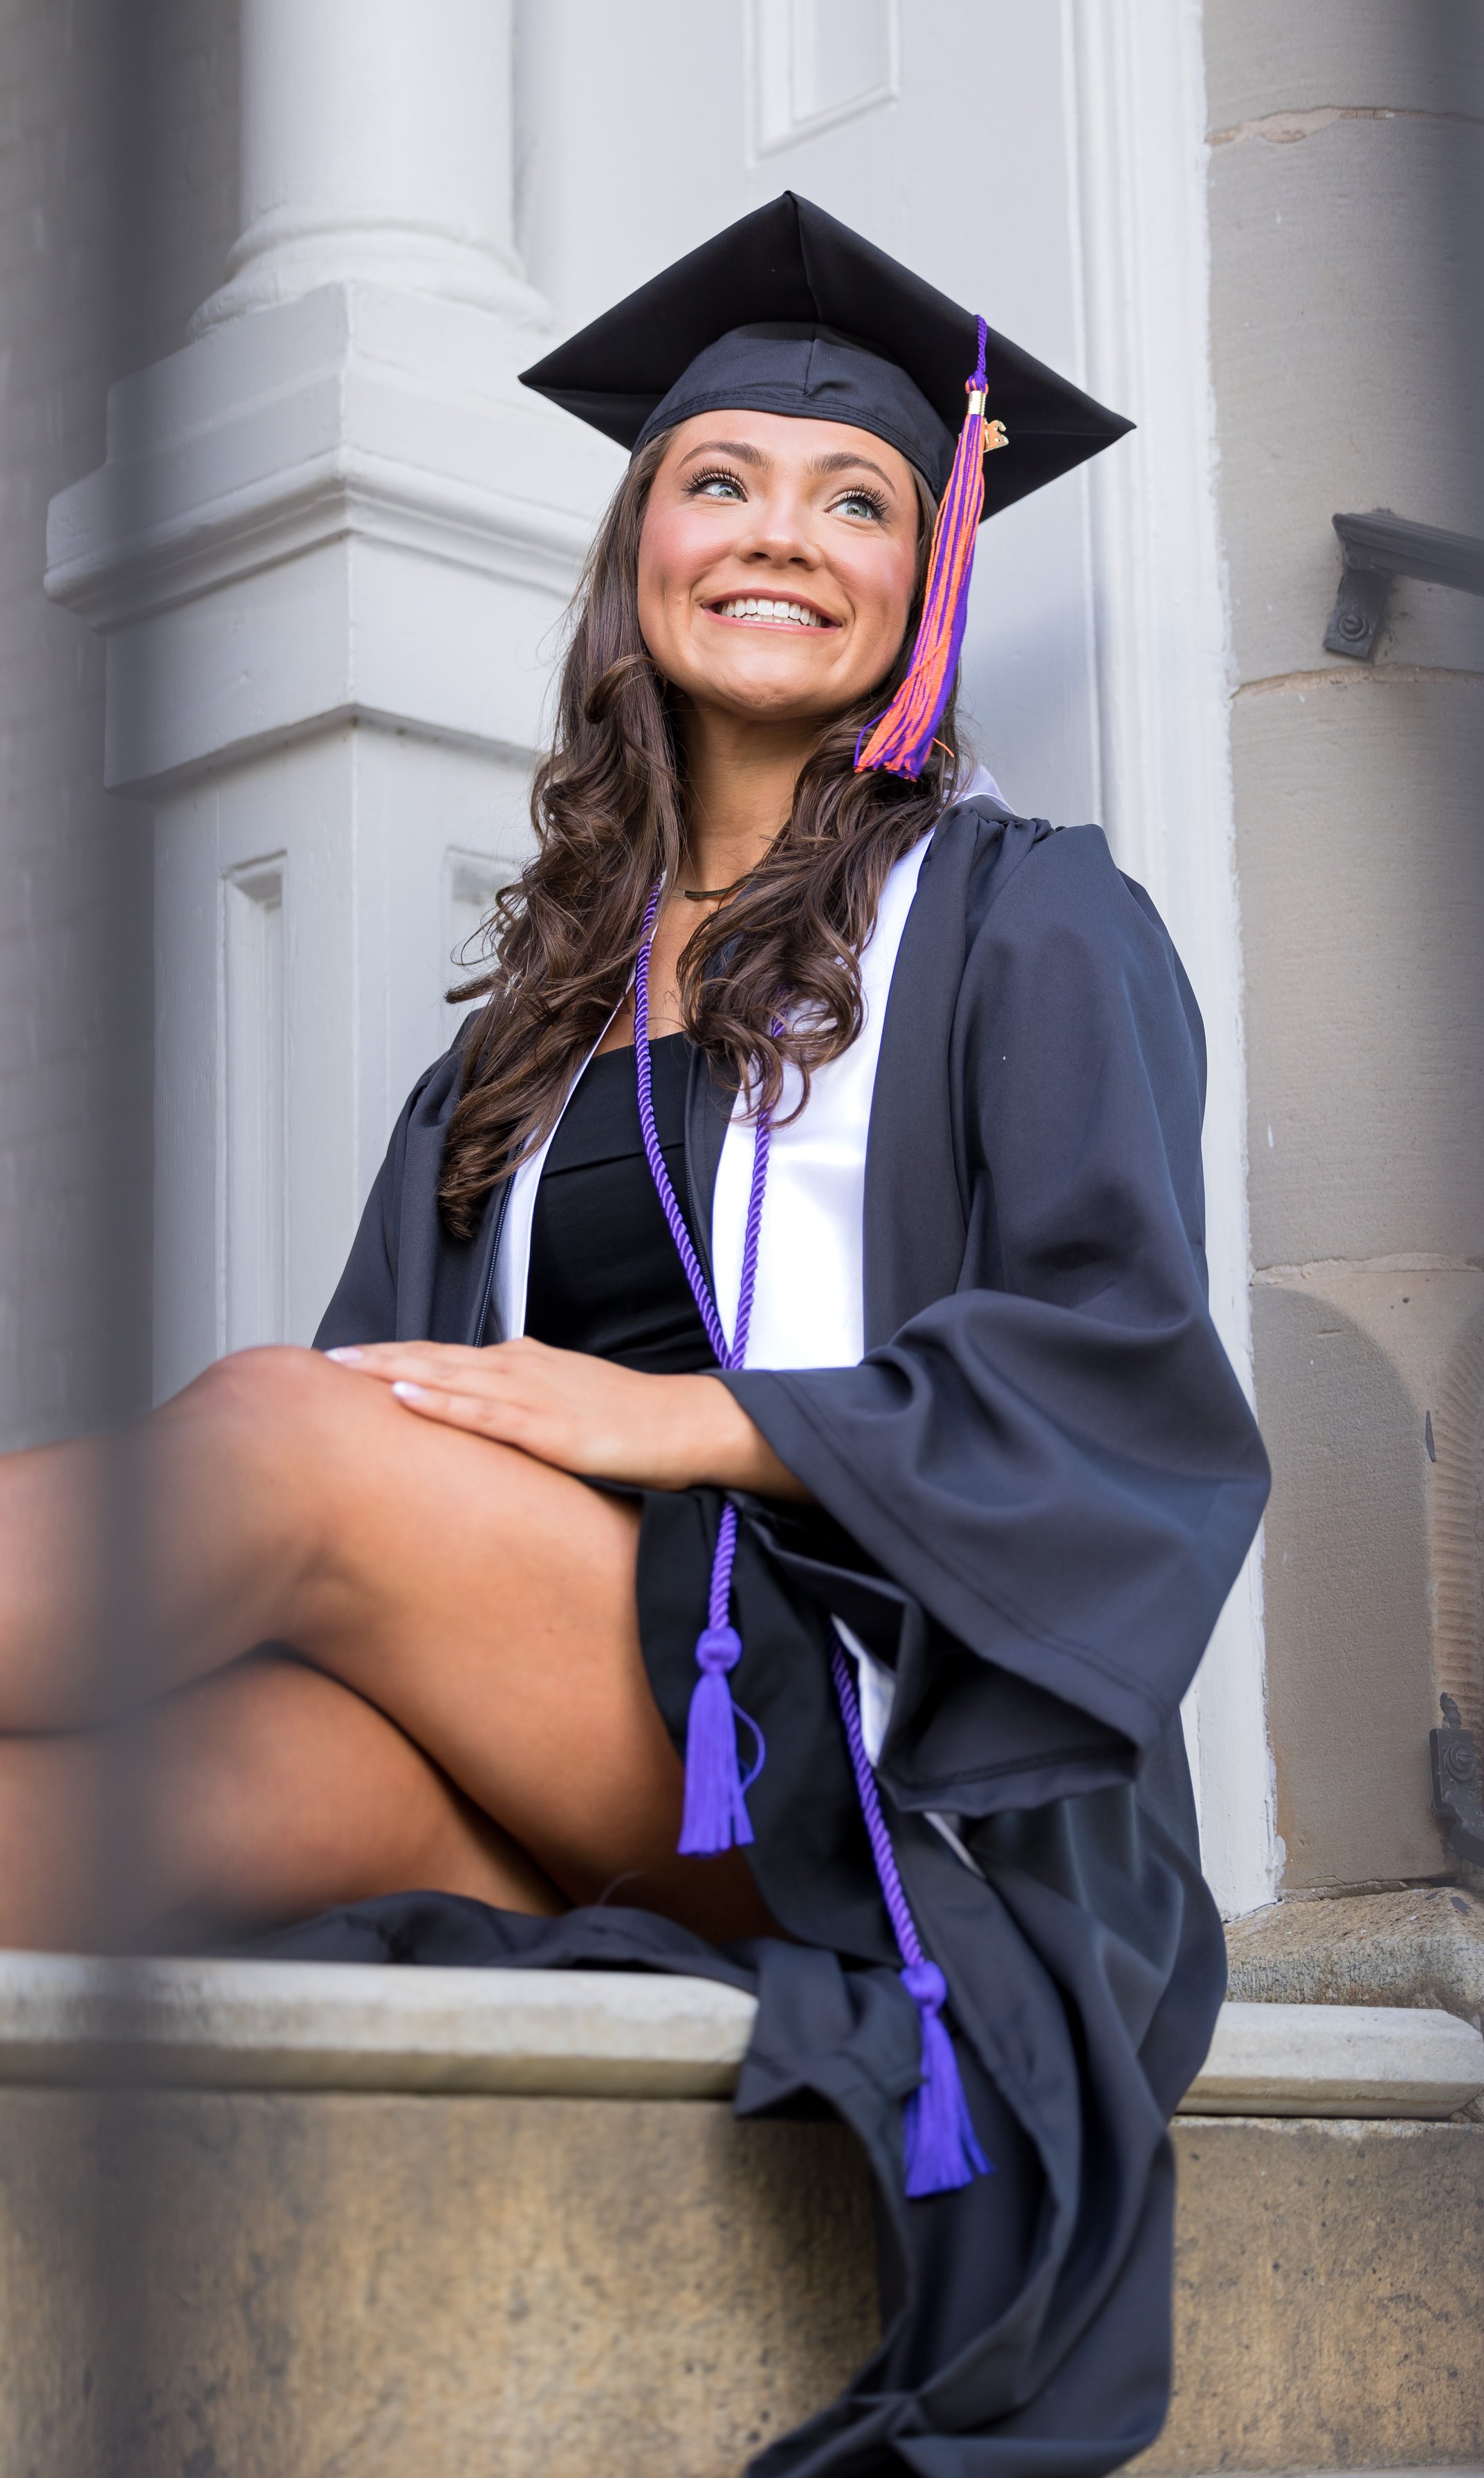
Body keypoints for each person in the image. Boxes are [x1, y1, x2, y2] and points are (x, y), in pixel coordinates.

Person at [0, 195, 1270, 2477]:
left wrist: (685, 1423)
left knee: (279, 1434)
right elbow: (396, 1447)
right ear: (637, 551)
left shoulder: (1021, 921)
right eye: (719, 481)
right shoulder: (519, 1034)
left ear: (923, 578)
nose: (778, 535)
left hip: (904, 1767)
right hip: (552, 1739)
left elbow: (1119, 1380)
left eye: (856, 497)